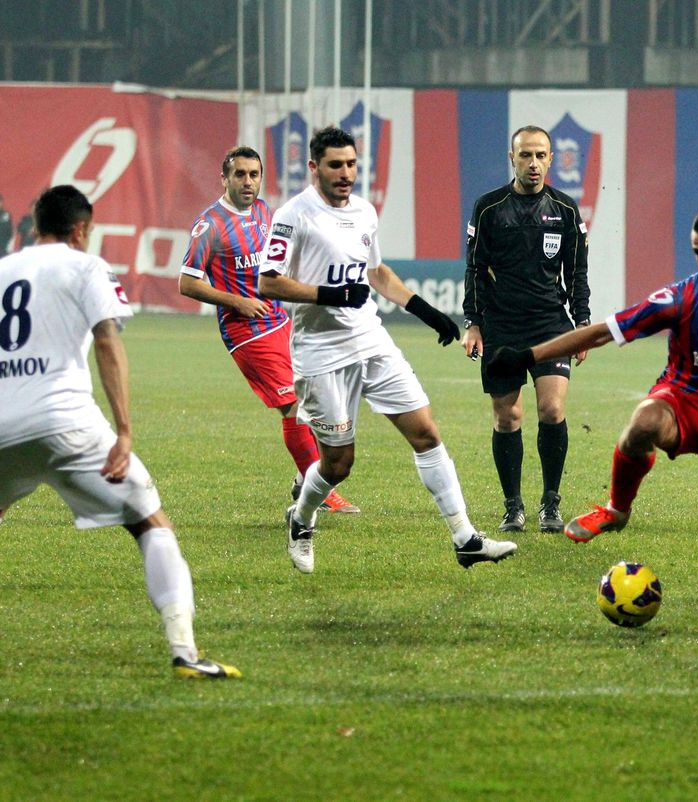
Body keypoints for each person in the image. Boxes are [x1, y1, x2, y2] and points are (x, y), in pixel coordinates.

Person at [489, 205, 698, 631]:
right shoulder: (679, 299)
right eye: (697, 252)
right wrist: (527, 356)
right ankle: (617, 509)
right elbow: (600, 332)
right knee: (644, 421)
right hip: (681, 405)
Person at [0, 185, 240, 679]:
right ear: (82, 229)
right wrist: (125, 432)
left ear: (34, 224)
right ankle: (185, 653)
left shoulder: (2, 270)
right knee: (151, 523)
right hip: (66, 423)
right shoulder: (87, 266)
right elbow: (108, 343)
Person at [258, 126, 516, 573]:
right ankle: (301, 518)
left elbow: (375, 272)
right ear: (314, 168)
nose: (345, 174)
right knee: (339, 463)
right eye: (335, 165)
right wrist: (330, 294)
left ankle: (465, 538)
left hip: (371, 340)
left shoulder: (363, 211)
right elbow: (269, 281)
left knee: (426, 433)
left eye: (352, 165)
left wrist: (426, 310)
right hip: (320, 352)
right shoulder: (292, 216)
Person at [179, 146, 358, 514]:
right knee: (292, 406)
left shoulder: (264, 212)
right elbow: (187, 283)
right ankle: (318, 490)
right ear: (225, 178)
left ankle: (303, 480)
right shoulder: (209, 225)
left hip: (282, 321)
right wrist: (236, 301)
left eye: (254, 174)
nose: (248, 182)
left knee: (316, 399)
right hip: (248, 333)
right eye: (240, 174)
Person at [462, 125, 591, 535]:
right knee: (508, 416)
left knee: (552, 410)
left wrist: (583, 322)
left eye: (540, 156)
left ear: (551, 159)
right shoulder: (488, 208)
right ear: (512, 158)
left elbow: (577, 272)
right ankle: (512, 504)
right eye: (525, 156)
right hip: (502, 326)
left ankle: (550, 503)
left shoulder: (566, 210)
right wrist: (473, 322)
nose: (533, 164)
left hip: (550, 324)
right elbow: (475, 270)